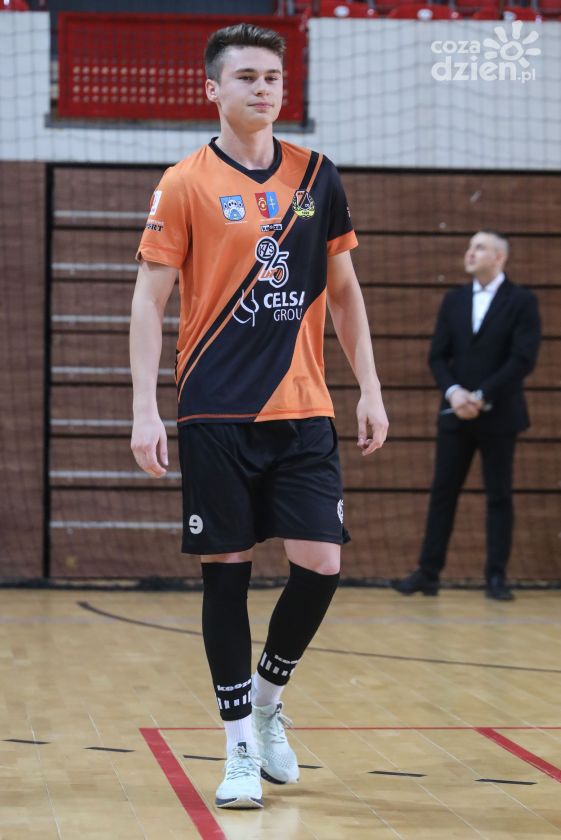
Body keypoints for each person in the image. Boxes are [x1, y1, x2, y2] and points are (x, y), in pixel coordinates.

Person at [129, 23, 388, 810]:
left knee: (321, 563)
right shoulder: (185, 182)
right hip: (216, 410)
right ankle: (239, 745)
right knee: (228, 575)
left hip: (303, 409)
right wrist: (144, 408)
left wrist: (370, 386)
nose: (262, 88)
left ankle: (269, 701)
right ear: (213, 88)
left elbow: (343, 291)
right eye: (245, 77)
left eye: (272, 77)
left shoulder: (316, 177)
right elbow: (148, 301)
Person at [392, 231, 541, 602]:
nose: (470, 253)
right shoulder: (454, 300)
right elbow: (437, 356)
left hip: (500, 415)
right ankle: (428, 573)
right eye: (470, 247)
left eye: (480, 247)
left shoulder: (522, 301)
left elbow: (522, 359)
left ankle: (496, 577)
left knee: (499, 496)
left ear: (499, 257)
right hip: (455, 414)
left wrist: (481, 394)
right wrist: (455, 392)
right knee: (443, 493)